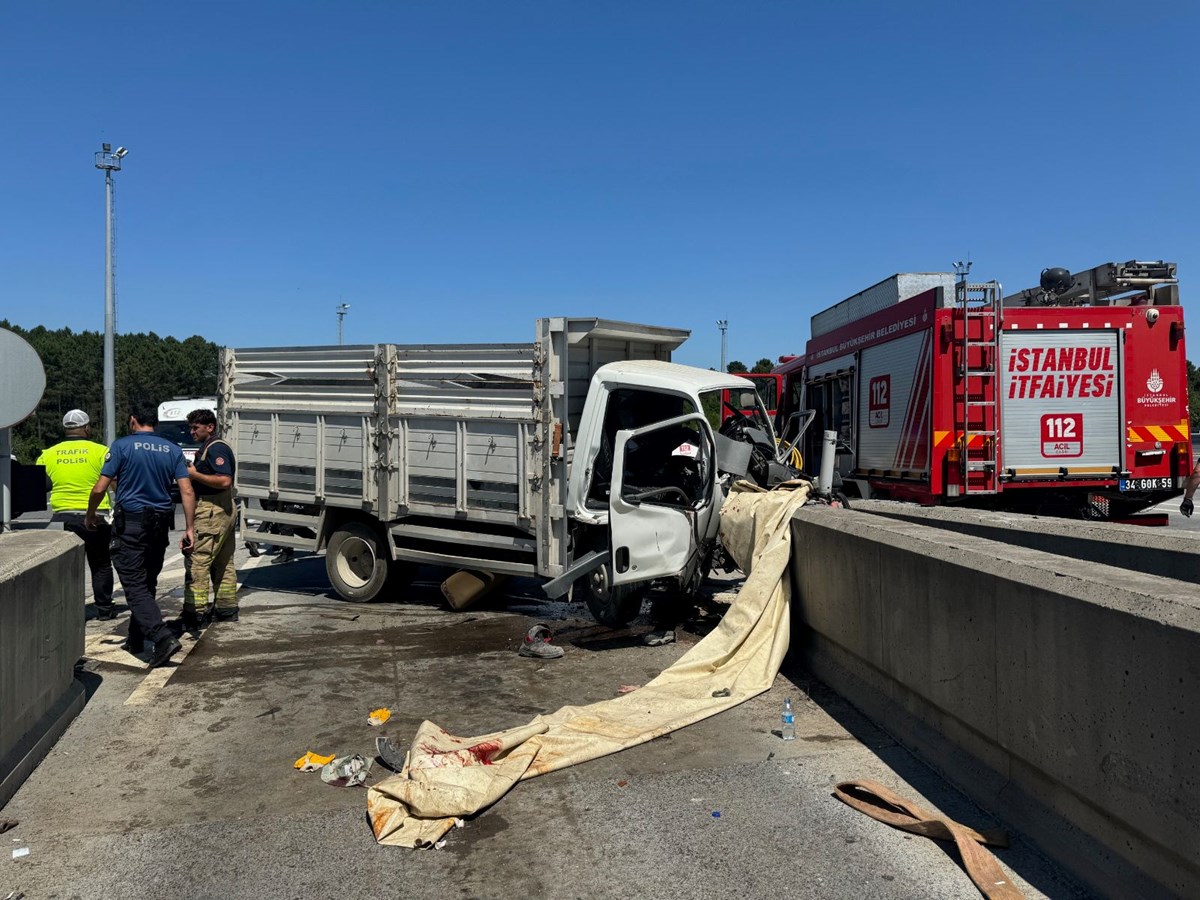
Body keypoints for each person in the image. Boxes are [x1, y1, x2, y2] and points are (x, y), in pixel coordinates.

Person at [85, 405, 195, 668]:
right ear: (154, 423)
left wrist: (90, 514)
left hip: (131, 525)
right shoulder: (172, 449)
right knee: (147, 582)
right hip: (159, 525)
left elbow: (101, 487)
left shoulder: (122, 446)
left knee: (134, 585)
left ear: (133, 420)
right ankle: (135, 638)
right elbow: (187, 491)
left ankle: (161, 636)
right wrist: (190, 528)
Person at [36, 409, 117, 619]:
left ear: (65, 429)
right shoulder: (101, 451)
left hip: (62, 518)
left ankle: (67, 610)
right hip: (96, 515)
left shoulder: (48, 454)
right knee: (100, 563)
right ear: (87, 428)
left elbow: (38, 486)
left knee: (67, 568)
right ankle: (105, 610)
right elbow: (114, 482)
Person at [181, 408, 238, 628]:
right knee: (224, 562)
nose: (192, 432)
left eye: (195, 428)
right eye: (191, 428)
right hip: (222, 511)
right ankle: (226, 608)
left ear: (210, 427)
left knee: (198, 561)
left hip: (212, 511)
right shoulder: (208, 448)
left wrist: (194, 475)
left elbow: (224, 481)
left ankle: (195, 613)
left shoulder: (216, 449)